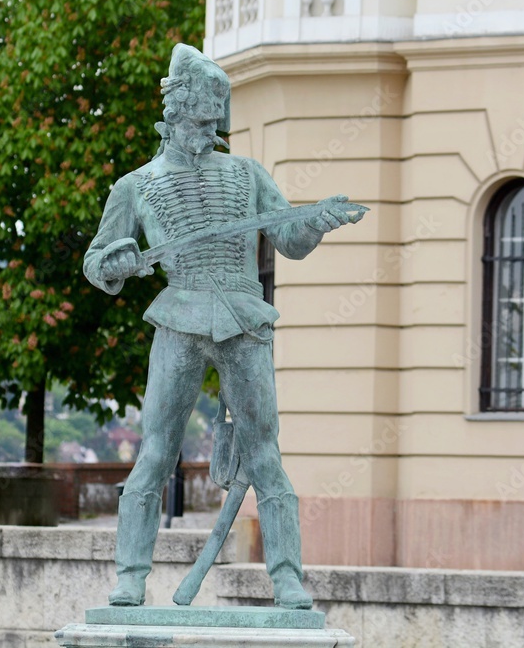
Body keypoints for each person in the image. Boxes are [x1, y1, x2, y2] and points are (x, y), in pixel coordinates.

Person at [83, 43, 362, 609]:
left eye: (214, 123)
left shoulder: (247, 173)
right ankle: (130, 577)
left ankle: (287, 578)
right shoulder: (134, 186)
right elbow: (97, 263)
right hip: (179, 320)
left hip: (243, 320)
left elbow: (290, 239)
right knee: (156, 451)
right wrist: (113, 263)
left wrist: (316, 225)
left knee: (265, 453)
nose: (208, 132)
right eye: (199, 121)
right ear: (174, 115)